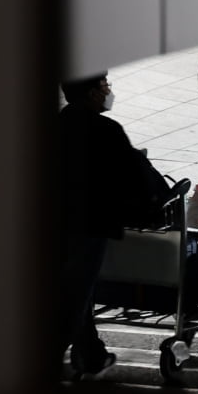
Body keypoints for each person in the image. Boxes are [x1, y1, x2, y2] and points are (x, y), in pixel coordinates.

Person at [56, 72, 151, 378]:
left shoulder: (57, 124)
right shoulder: (106, 129)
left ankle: (91, 355)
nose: (109, 90)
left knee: (74, 291)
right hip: (89, 224)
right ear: (93, 92)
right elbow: (137, 180)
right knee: (74, 296)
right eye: (105, 84)